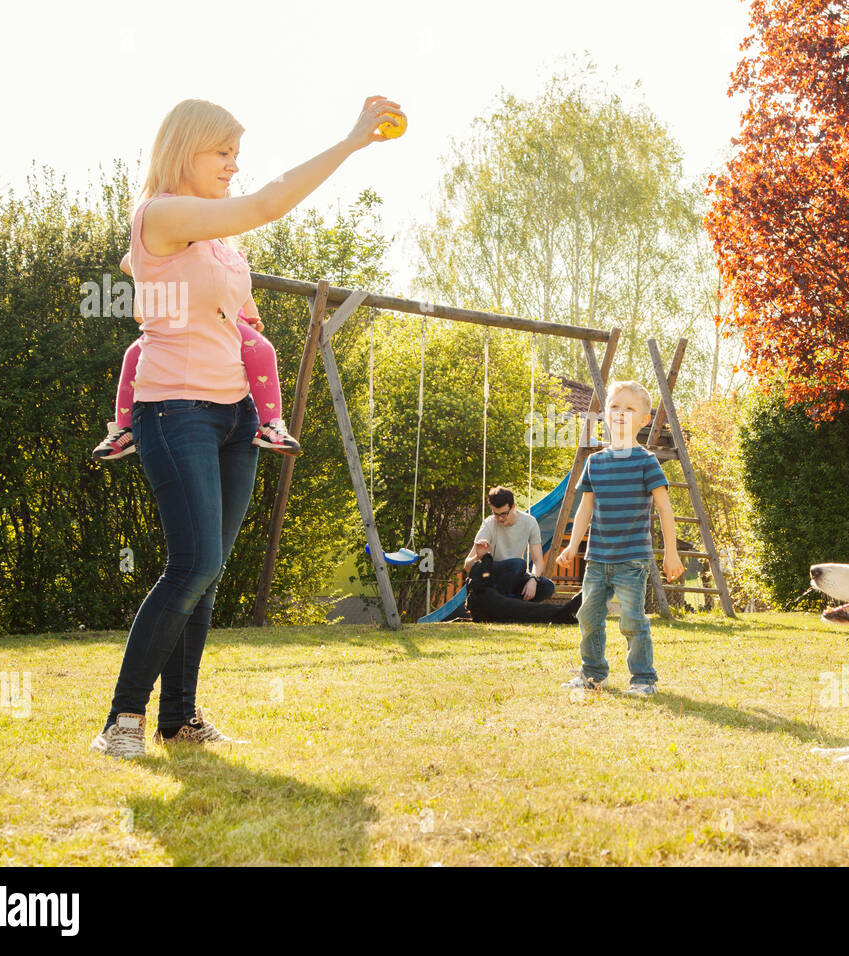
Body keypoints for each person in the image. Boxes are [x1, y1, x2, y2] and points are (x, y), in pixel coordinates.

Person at [91, 95, 405, 758]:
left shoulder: (213, 237)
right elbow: (266, 203)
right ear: (185, 152)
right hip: (174, 409)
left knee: (208, 569)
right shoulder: (163, 212)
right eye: (222, 153)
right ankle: (122, 720)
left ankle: (180, 717)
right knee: (194, 560)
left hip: (235, 415)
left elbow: (187, 283)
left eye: (238, 153)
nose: (234, 165)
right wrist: (351, 139)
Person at [91, 266, 301, 459]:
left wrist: (252, 321)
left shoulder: (229, 258)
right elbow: (137, 299)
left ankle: (270, 424)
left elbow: (250, 309)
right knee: (134, 353)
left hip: (223, 323)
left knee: (261, 349)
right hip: (179, 324)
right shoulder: (169, 259)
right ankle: (124, 429)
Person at [556, 381, 684, 696]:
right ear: (605, 414)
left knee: (631, 620)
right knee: (588, 616)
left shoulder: (646, 461)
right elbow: (585, 509)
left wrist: (671, 554)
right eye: (615, 407)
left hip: (633, 559)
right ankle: (593, 676)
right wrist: (573, 546)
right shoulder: (595, 462)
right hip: (597, 558)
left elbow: (665, 510)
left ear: (644, 420)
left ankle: (643, 680)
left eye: (630, 409)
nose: (621, 414)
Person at [462, 486, 555, 603]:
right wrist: (478, 556)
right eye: (496, 514)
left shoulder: (529, 522)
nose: (500, 518)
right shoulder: (489, 523)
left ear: (513, 507)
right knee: (518, 564)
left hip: (515, 575)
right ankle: (503, 605)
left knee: (547, 587)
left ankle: (509, 606)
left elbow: (538, 561)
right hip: (493, 578)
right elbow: (467, 566)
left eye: (503, 514)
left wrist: (533, 580)